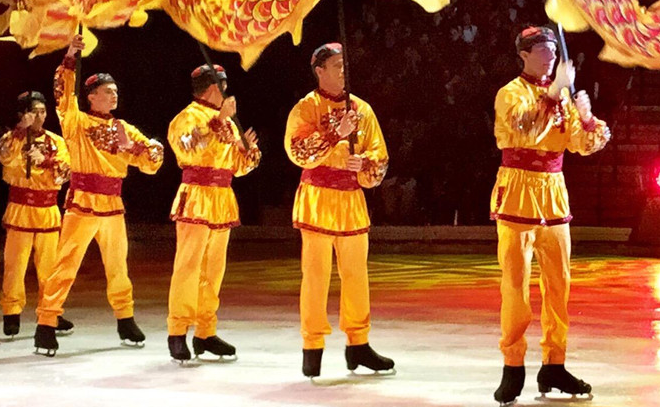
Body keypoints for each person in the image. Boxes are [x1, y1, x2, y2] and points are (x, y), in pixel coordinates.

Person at [490, 26, 610, 407]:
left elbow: (583, 144)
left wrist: (587, 119)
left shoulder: (563, 97)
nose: (549, 59)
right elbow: (524, 128)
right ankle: (513, 365)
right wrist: (556, 95)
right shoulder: (510, 93)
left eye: (553, 53)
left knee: (560, 284)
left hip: (553, 191)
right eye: (542, 52)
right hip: (519, 190)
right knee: (515, 283)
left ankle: (554, 363)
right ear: (523, 55)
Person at [34, 34, 165, 355]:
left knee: (118, 265)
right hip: (82, 203)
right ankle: (46, 323)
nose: (114, 95)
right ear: (91, 96)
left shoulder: (124, 128)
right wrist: (69, 59)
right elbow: (63, 97)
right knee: (66, 264)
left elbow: (151, 163)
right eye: (108, 92)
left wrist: (135, 147)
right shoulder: (76, 122)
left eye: (116, 91)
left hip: (113, 206)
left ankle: (125, 318)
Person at [284, 42, 393, 379]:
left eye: (346, 65)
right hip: (317, 197)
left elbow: (380, 156)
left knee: (356, 277)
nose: (344, 71)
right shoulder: (306, 107)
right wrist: (335, 133)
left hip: (350, 199)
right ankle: (312, 345)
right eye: (337, 65)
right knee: (315, 276)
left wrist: (366, 163)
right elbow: (298, 152)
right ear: (320, 70)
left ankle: (358, 343)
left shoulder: (362, 109)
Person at [165, 64, 261, 362]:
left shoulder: (229, 124)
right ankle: (177, 330)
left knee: (213, 271)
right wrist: (218, 120)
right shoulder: (187, 117)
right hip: (196, 195)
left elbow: (240, 167)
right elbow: (187, 148)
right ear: (212, 88)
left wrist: (248, 152)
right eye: (223, 85)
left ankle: (205, 331)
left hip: (222, 196)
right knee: (188, 267)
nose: (226, 91)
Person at [0, 91, 72, 339]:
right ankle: (11, 311)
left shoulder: (56, 142)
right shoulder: (11, 138)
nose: (39, 116)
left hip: (48, 209)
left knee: (49, 268)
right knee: (15, 265)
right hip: (21, 209)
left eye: (42, 111)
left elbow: (67, 172)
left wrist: (46, 160)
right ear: (23, 115)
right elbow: (5, 157)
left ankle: (50, 312)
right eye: (34, 112)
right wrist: (20, 131)